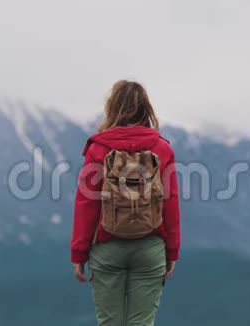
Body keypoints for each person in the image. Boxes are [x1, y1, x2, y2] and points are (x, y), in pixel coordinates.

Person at [71, 80, 181, 326]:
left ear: (113, 108)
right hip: (150, 246)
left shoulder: (97, 148)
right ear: (146, 110)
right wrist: (171, 250)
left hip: (106, 246)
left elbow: (86, 202)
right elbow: (170, 201)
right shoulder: (162, 148)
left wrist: (79, 253)